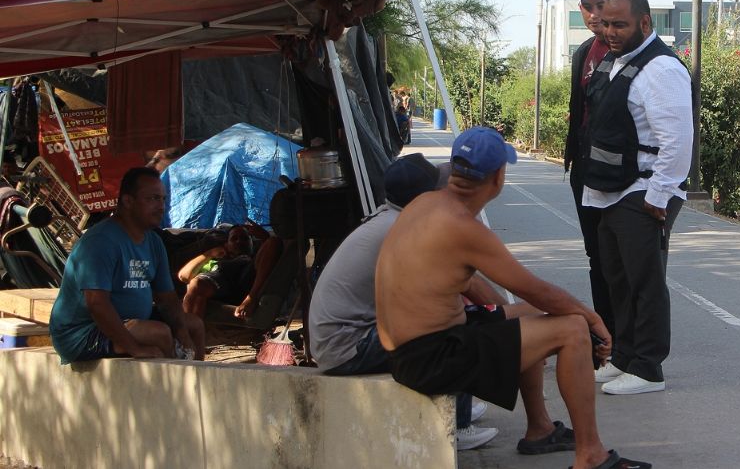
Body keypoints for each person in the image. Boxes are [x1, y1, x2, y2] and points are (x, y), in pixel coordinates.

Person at [376, 127, 651, 469]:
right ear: (498, 177)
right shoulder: (463, 227)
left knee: (531, 317)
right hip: (431, 357)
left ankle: (539, 428)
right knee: (572, 329)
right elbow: (538, 290)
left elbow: (486, 289)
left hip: (411, 348)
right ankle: (591, 456)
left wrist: (515, 324)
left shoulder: (425, 203)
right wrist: (593, 320)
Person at [309, 153, 540, 451]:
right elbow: (464, 289)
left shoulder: (390, 219)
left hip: (340, 339)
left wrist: (501, 311)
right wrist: (504, 313)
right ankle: (457, 425)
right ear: (423, 197)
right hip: (348, 346)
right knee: (455, 330)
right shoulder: (407, 231)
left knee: (461, 316)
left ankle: (461, 403)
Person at [583, 0, 693, 395]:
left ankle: (647, 368)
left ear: (645, 23)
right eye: (606, 23)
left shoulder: (661, 69)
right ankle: (625, 358)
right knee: (619, 279)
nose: (609, 31)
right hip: (614, 190)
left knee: (644, 280)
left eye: (619, 25)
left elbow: (678, 140)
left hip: (644, 190)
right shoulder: (616, 61)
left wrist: (659, 196)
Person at [49, 167, 205, 364]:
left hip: (131, 321)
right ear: (127, 201)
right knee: (159, 333)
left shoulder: (154, 242)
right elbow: (96, 303)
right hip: (83, 332)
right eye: (153, 199)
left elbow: (166, 299)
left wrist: (182, 332)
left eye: (163, 199)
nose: (161, 207)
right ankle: (168, 391)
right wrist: (134, 347)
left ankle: (197, 385)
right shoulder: (100, 241)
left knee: (194, 325)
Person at [563, 0, 617, 372]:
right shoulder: (583, 52)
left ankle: (631, 349)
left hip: (618, 175)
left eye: (601, 5)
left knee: (622, 261)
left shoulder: (627, 51)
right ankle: (605, 340)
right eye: (588, 6)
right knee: (596, 257)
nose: (595, 14)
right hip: (583, 168)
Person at [178, 222, 282, 319]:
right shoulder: (214, 261)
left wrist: (265, 237)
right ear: (226, 245)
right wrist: (209, 254)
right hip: (219, 288)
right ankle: (190, 333)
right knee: (196, 284)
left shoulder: (254, 259)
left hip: (245, 285)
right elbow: (184, 276)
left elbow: (272, 246)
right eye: (234, 238)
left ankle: (250, 299)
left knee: (274, 241)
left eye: (244, 238)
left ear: (252, 243)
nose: (239, 241)